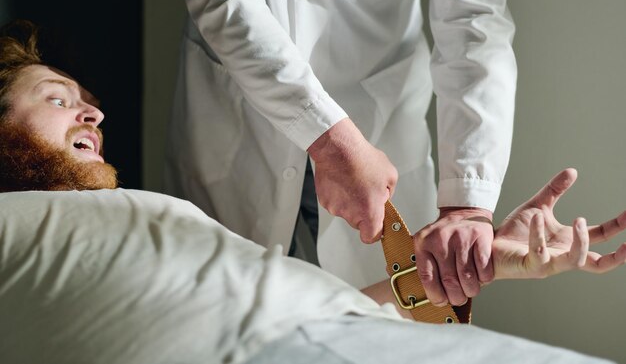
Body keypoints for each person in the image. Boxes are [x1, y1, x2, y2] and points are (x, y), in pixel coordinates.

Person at [1, 20, 625, 363]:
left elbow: (319, 302)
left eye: (87, 104)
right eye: (57, 99)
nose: (93, 116)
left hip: (344, 330)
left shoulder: (146, 216)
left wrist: (474, 264)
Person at [165, 0, 518, 306]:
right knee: (218, 320)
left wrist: (467, 204)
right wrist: (329, 139)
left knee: (384, 334)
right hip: (242, 120)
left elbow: (475, 21)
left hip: (379, 123)